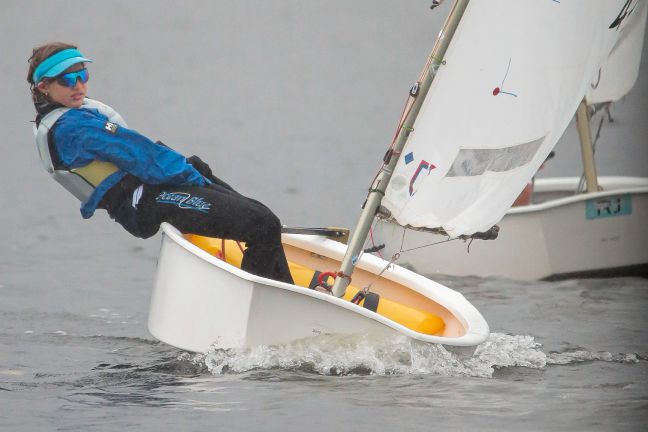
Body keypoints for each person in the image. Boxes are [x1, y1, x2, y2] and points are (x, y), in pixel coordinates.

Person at [27, 42, 294, 284]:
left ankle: (270, 255)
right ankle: (263, 292)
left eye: (82, 75)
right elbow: (142, 157)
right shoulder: (73, 127)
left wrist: (195, 174)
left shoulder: (66, 117)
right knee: (262, 223)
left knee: (205, 173)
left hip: (148, 192)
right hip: (143, 204)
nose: (78, 85)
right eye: (67, 79)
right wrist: (195, 180)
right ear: (43, 87)